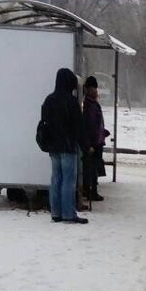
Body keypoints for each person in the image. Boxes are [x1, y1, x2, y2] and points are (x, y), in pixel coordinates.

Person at [43, 68, 91, 224]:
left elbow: (44, 122)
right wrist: (86, 146)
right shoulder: (70, 102)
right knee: (68, 181)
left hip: (53, 147)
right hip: (68, 147)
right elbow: (79, 126)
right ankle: (68, 214)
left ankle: (55, 213)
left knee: (55, 179)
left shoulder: (49, 100)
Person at [81, 76, 108, 202]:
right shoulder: (89, 105)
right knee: (92, 168)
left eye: (95, 88)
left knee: (93, 167)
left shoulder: (91, 103)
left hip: (96, 140)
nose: (95, 91)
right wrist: (92, 142)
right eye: (92, 88)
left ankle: (91, 190)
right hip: (94, 142)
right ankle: (91, 191)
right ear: (87, 89)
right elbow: (91, 125)